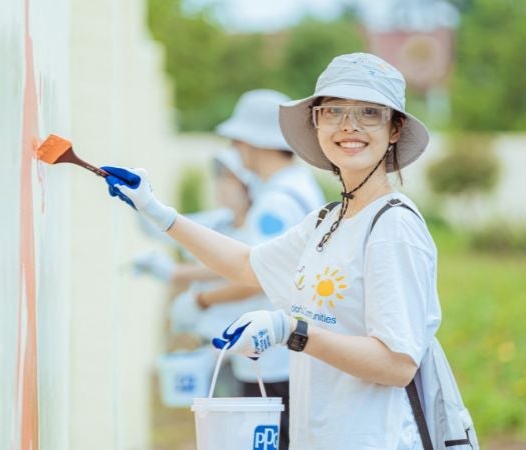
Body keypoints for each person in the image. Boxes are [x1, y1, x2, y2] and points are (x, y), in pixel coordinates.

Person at [102, 52, 439, 450]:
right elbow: (248, 264)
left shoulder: (392, 227)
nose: (349, 126)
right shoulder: (328, 220)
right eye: (333, 111)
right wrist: (157, 212)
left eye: (369, 113)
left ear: (395, 129)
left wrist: (291, 331)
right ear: (316, 123)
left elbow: (397, 364)